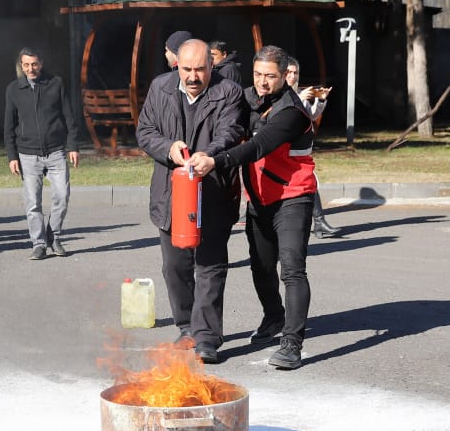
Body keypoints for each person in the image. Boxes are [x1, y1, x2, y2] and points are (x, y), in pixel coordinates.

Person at [190, 45, 318, 370]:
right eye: (258, 74)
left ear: (285, 75)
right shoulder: (249, 98)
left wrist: (215, 161)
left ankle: (292, 344)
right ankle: (274, 317)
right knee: (261, 266)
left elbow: (258, 146)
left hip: (293, 197)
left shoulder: (291, 110)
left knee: (292, 269)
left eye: (270, 76)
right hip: (260, 198)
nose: (262, 82)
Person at [134, 38, 243, 364]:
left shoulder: (229, 91)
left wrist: (206, 154)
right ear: (176, 66)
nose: (193, 76)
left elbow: (231, 131)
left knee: (210, 267)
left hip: (213, 191)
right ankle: (186, 328)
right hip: (171, 194)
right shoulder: (160, 88)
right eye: (186, 69)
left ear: (212, 65)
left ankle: (207, 337)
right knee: (174, 268)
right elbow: (145, 130)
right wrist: (168, 149)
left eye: (200, 69)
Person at [3, 47, 84, 259]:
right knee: (33, 203)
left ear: (41, 63)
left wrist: (72, 146)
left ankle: (54, 235)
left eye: (35, 64)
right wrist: (12, 156)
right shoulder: (13, 89)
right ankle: (38, 243)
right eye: (27, 65)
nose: (31, 68)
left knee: (62, 196)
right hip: (28, 155)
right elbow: (8, 126)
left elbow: (69, 116)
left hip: (56, 151)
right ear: (21, 65)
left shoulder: (55, 83)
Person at [284, 56, 340, 239]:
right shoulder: (282, 94)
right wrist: (300, 98)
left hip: (299, 150)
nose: (292, 76)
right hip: (284, 149)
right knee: (306, 184)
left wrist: (321, 100)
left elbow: (310, 115)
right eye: (289, 72)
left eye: (296, 73)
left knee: (310, 183)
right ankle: (317, 223)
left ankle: (318, 223)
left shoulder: (298, 93)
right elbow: (287, 115)